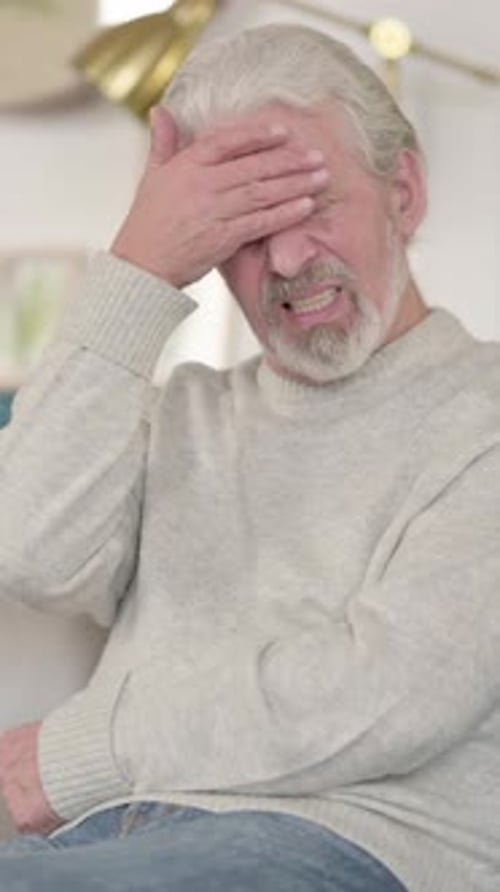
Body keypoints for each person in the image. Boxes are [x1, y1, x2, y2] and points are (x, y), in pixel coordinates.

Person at [0, 22, 499, 892]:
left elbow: (391, 690)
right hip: (105, 843)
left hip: (343, 847)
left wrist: (87, 750)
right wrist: (137, 268)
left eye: (308, 205)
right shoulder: (182, 417)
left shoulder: (482, 413)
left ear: (404, 191)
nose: (289, 261)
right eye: (239, 226)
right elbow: (30, 552)